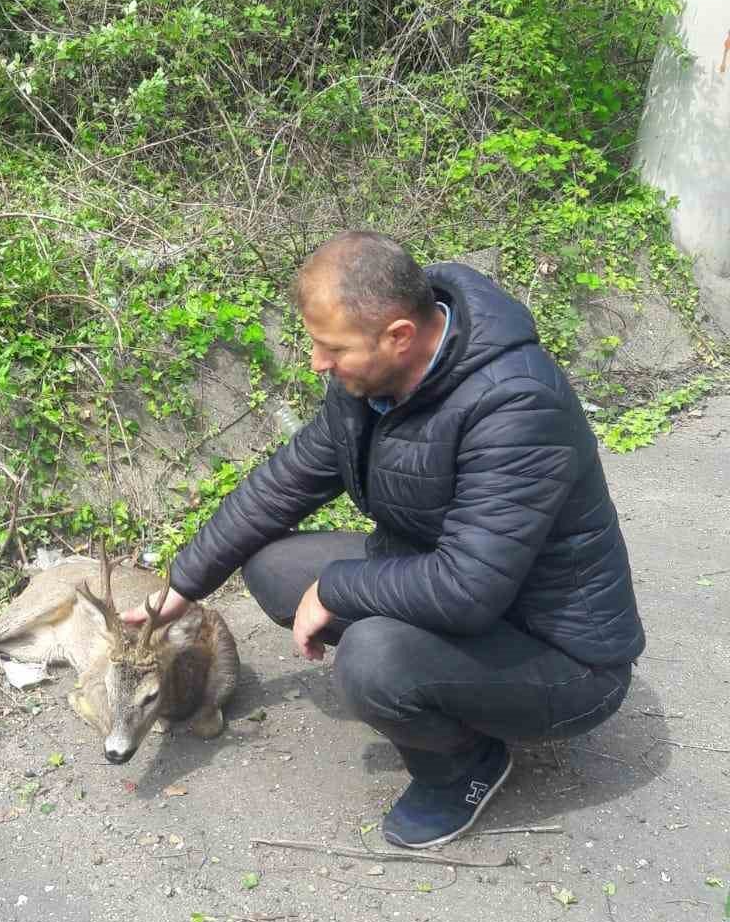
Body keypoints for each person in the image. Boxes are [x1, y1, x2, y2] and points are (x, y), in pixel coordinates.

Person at [126, 231, 643, 848]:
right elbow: (281, 486)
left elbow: (467, 588)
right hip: (458, 585)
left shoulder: (515, 403)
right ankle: (433, 690)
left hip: (562, 657)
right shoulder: (368, 384)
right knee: (273, 565)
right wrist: (180, 588)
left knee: (373, 656)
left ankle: (463, 765)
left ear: (399, 335)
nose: (318, 362)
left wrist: (341, 588)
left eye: (331, 347)